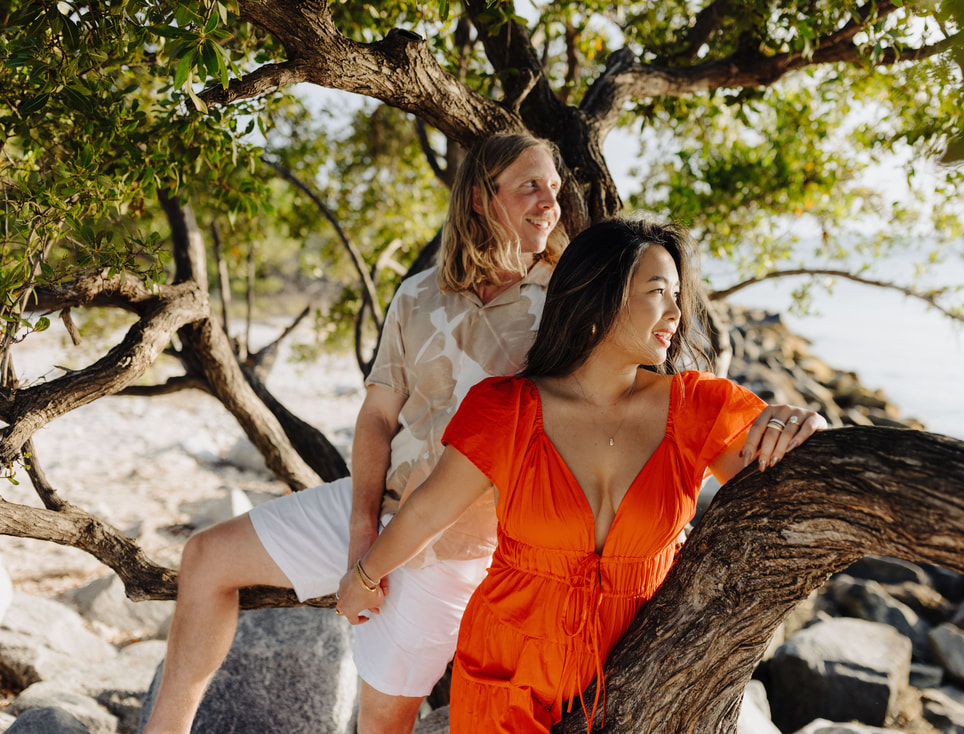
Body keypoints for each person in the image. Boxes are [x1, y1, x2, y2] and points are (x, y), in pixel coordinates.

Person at [141, 132, 569, 734]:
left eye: (553, 188)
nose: (550, 203)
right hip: (376, 508)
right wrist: (360, 533)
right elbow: (376, 418)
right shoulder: (420, 294)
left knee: (380, 722)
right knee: (205, 557)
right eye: (530, 186)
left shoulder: (568, 304)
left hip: (456, 545)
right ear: (480, 198)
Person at [335, 217, 828, 732]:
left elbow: (781, 497)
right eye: (658, 291)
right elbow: (428, 511)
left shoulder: (698, 408)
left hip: (637, 676)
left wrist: (810, 431)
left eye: (678, 295)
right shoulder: (509, 410)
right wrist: (364, 576)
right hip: (508, 670)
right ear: (599, 296)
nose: (677, 313)